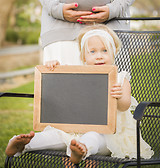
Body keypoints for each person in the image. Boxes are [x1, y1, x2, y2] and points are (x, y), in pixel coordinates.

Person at [5, 25, 154, 164]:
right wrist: (53, 68)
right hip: (73, 130)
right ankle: (23, 144)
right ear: (84, 57)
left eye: (104, 50)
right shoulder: (78, 75)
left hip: (108, 135)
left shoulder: (121, 78)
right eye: (93, 52)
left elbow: (125, 105)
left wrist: (120, 96)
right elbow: (61, 87)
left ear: (114, 52)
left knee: (92, 138)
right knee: (51, 136)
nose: (99, 56)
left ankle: (80, 151)